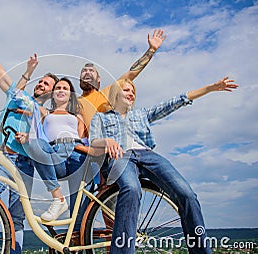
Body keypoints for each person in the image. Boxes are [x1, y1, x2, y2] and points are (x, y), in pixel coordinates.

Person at [89, 77, 238, 253]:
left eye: (133, 92)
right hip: (121, 157)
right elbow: (93, 141)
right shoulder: (101, 117)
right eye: (126, 90)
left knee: (186, 193)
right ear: (115, 94)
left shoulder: (140, 114)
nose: (131, 94)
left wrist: (211, 88)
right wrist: (107, 141)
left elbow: (173, 103)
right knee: (131, 188)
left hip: (147, 155)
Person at [0, 31, 58, 253]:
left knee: (17, 218)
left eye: (48, 85)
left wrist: (35, 118)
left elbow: (52, 123)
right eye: (42, 82)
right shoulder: (18, 96)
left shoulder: (48, 112)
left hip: (25, 165)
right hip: (2, 157)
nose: (42, 85)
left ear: (53, 92)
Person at [18, 77, 87, 221]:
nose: (61, 90)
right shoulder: (45, 113)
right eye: (58, 88)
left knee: (78, 208)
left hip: (77, 153)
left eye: (65, 88)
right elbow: (31, 106)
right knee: (35, 144)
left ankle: (76, 238)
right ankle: (58, 198)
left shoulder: (77, 116)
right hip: (56, 153)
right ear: (53, 94)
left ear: (70, 94)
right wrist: (28, 137)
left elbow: (83, 137)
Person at [78, 29, 167, 130]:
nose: (87, 73)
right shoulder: (74, 102)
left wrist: (151, 50)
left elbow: (131, 73)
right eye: (84, 71)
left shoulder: (108, 93)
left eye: (91, 71)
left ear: (98, 79)